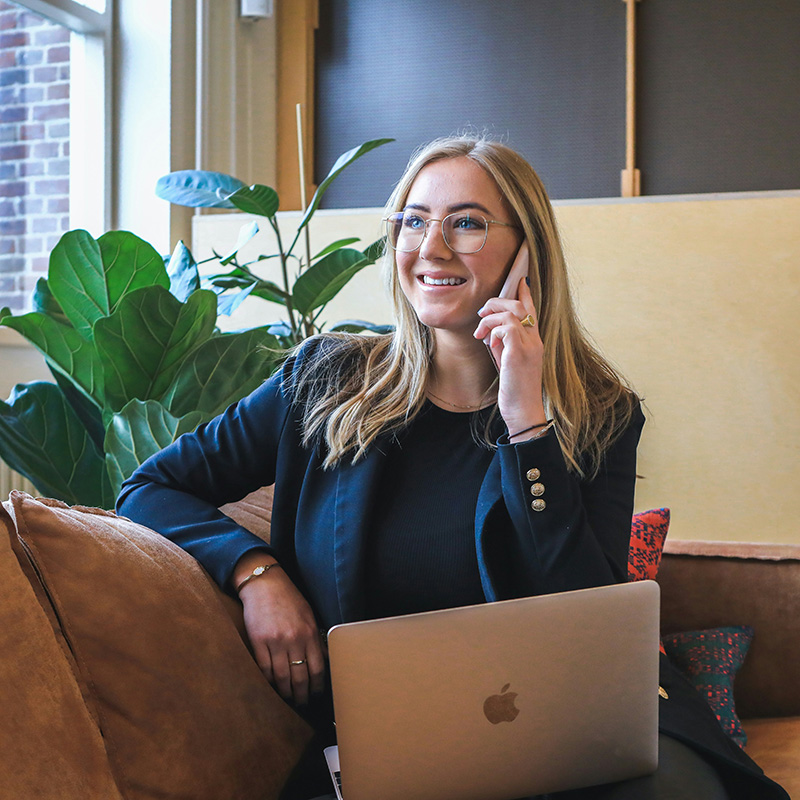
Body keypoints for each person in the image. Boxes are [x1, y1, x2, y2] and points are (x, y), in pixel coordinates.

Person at [116, 137, 788, 800]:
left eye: (465, 222)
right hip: (394, 748)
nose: (431, 246)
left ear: (528, 251)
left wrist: (528, 424)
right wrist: (255, 574)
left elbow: (590, 620)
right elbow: (148, 486)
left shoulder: (599, 413)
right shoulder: (323, 382)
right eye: (413, 220)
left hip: (578, 736)